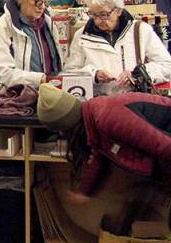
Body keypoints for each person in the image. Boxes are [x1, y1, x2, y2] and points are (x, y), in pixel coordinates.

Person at [36, 84, 171, 202]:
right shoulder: (93, 116)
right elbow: (100, 156)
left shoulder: (108, 118)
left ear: (67, 126)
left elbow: (164, 145)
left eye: (61, 132)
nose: (61, 135)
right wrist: (83, 193)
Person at [66, 0, 171, 88]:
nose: (97, 21)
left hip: (135, 101)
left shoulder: (141, 30)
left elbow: (166, 66)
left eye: (103, 14)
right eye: (93, 14)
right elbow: (70, 73)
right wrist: (94, 75)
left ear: (119, 10)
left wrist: (139, 74)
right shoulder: (81, 36)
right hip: (98, 102)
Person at [0, 0, 61, 89]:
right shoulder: (3, 26)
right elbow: (4, 73)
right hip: (17, 97)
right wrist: (40, 79)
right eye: (38, 1)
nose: (42, 6)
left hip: (49, 94)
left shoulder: (48, 23)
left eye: (45, 1)